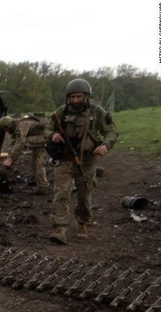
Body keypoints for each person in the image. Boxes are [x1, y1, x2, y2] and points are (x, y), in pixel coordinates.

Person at [44, 78, 118, 245]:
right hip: (64, 160)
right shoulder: (62, 112)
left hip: (87, 161)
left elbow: (111, 131)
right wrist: (52, 135)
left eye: (79, 97)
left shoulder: (97, 112)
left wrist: (105, 145)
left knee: (84, 195)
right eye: (72, 97)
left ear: (86, 96)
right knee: (61, 193)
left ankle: (82, 222)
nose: (75, 100)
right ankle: (59, 228)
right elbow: (48, 128)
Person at [0, 114, 50, 195]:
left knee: (37, 162)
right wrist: (9, 158)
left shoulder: (22, 125)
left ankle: (44, 188)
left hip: (46, 139)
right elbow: (13, 145)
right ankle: (43, 187)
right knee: (36, 163)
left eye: (5, 129)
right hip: (42, 140)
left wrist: (11, 159)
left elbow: (20, 142)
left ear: (8, 126)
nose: (6, 132)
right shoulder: (16, 127)